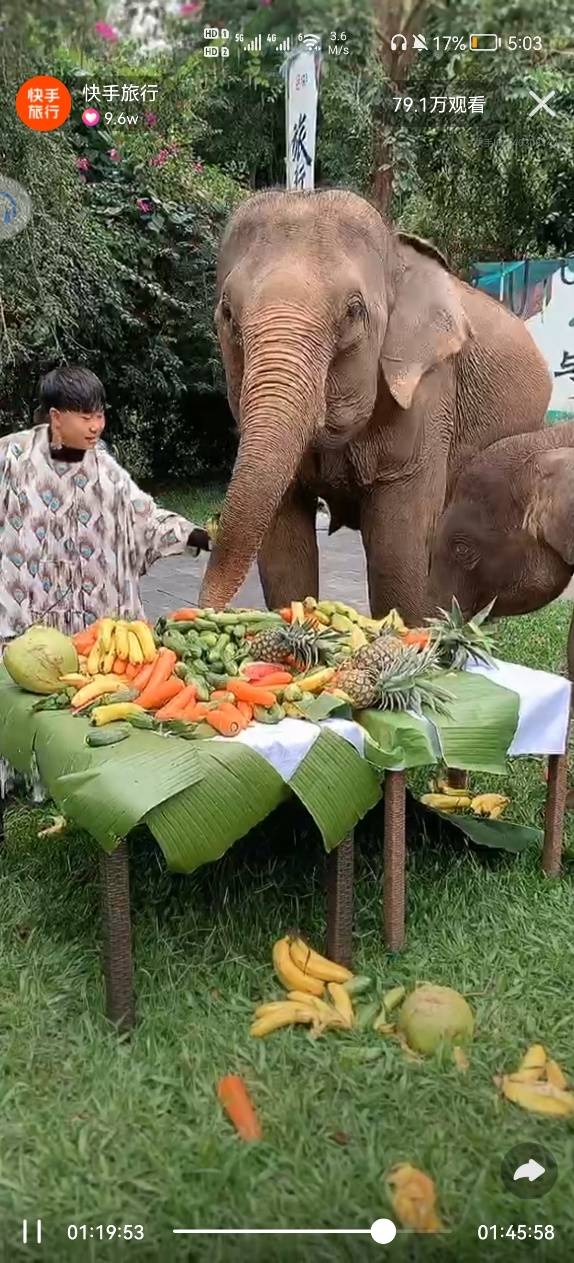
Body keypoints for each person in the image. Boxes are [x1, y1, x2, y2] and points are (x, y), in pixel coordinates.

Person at [0, 366, 210, 642]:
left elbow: (141, 518)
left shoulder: (103, 466)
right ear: (56, 417)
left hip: (99, 624)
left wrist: (195, 535)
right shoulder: (12, 457)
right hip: (30, 624)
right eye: (86, 417)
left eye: (99, 416)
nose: (96, 426)